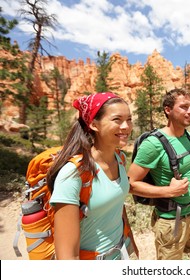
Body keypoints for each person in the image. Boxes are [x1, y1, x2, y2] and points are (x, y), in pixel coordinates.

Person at [47, 92, 134, 260]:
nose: (126, 126)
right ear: (94, 124)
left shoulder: (120, 159)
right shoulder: (73, 173)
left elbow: (116, 205)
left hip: (121, 254)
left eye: (129, 119)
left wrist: (131, 245)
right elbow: (67, 256)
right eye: (117, 120)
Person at [128, 88, 190, 260]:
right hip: (171, 221)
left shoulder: (186, 135)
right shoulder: (153, 144)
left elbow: (185, 164)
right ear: (168, 110)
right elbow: (130, 184)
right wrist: (168, 191)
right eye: (183, 107)